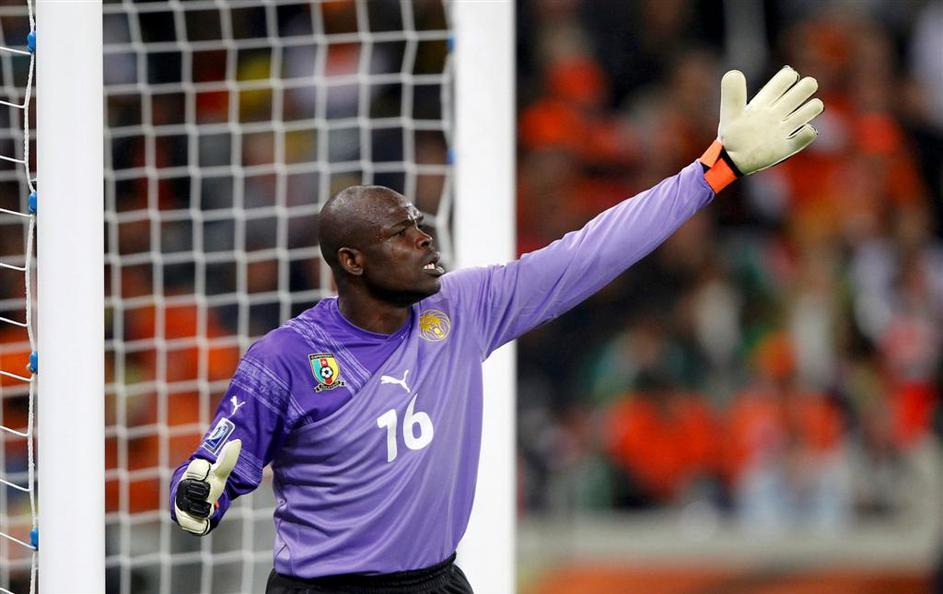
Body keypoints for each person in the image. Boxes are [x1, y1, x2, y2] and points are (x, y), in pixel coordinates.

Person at [170, 66, 824, 594]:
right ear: (353, 261)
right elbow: (209, 474)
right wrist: (197, 495)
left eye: (419, 223)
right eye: (401, 234)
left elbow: (591, 251)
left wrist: (713, 170)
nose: (424, 238)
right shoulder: (285, 357)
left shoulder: (461, 309)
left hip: (433, 582)